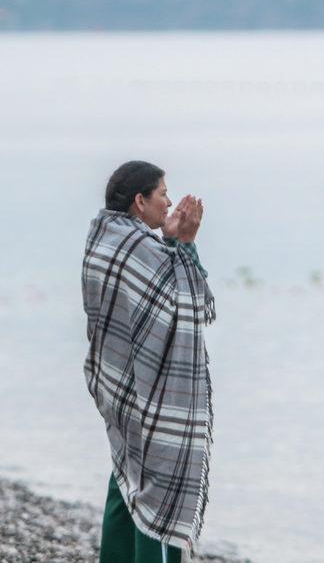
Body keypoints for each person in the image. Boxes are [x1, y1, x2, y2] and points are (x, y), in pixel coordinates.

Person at [82, 160, 215, 563]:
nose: (170, 201)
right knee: (159, 487)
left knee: (127, 478)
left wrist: (172, 242)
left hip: (118, 384)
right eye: (162, 194)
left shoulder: (104, 239)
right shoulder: (140, 249)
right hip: (150, 393)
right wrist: (186, 243)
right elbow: (185, 305)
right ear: (140, 201)